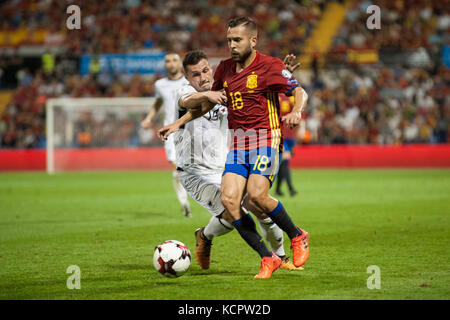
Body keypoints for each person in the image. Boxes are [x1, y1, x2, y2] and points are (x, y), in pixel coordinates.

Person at [159, 50, 304, 272]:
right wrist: (208, 95)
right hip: (194, 173)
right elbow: (188, 100)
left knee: (259, 204)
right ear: (187, 78)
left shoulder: (225, 89)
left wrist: (278, 75)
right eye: (195, 74)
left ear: (212, 69)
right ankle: (212, 238)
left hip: (224, 168)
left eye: (206, 71)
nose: (203, 77)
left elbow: (256, 95)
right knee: (235, 210)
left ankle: (282, 258)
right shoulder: (185, 91)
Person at [212, 17, 310, 278]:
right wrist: (179, 120)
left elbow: (299, 91)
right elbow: (212, 102)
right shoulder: (223, 69)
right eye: (229, 40)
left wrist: (297, 112)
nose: (232, 45)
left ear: (253, 40)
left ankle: (297, 235)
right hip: (238, 144)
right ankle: (267, 258)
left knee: (256, 195)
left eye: (237, 40)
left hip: (267, 139)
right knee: (230, 201)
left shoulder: (270, 66)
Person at [141, 53, 192, 217]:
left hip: (189, 129)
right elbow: (158, 103)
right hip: (169, 130)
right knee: (176, 165)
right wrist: (149, 118)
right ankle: (184, 202)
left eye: (174, 60)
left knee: (189, 167)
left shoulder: (189, 82)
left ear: (180, 63)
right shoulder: (160, 84)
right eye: (168, 61)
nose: (171, 64)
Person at [275, 94, 298, 197]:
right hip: (280, 133)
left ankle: (278, 190)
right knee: (285, 159)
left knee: (283, 162)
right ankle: (291, 188)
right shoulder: (274, 95)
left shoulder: (292, 95)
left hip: (290, 134)